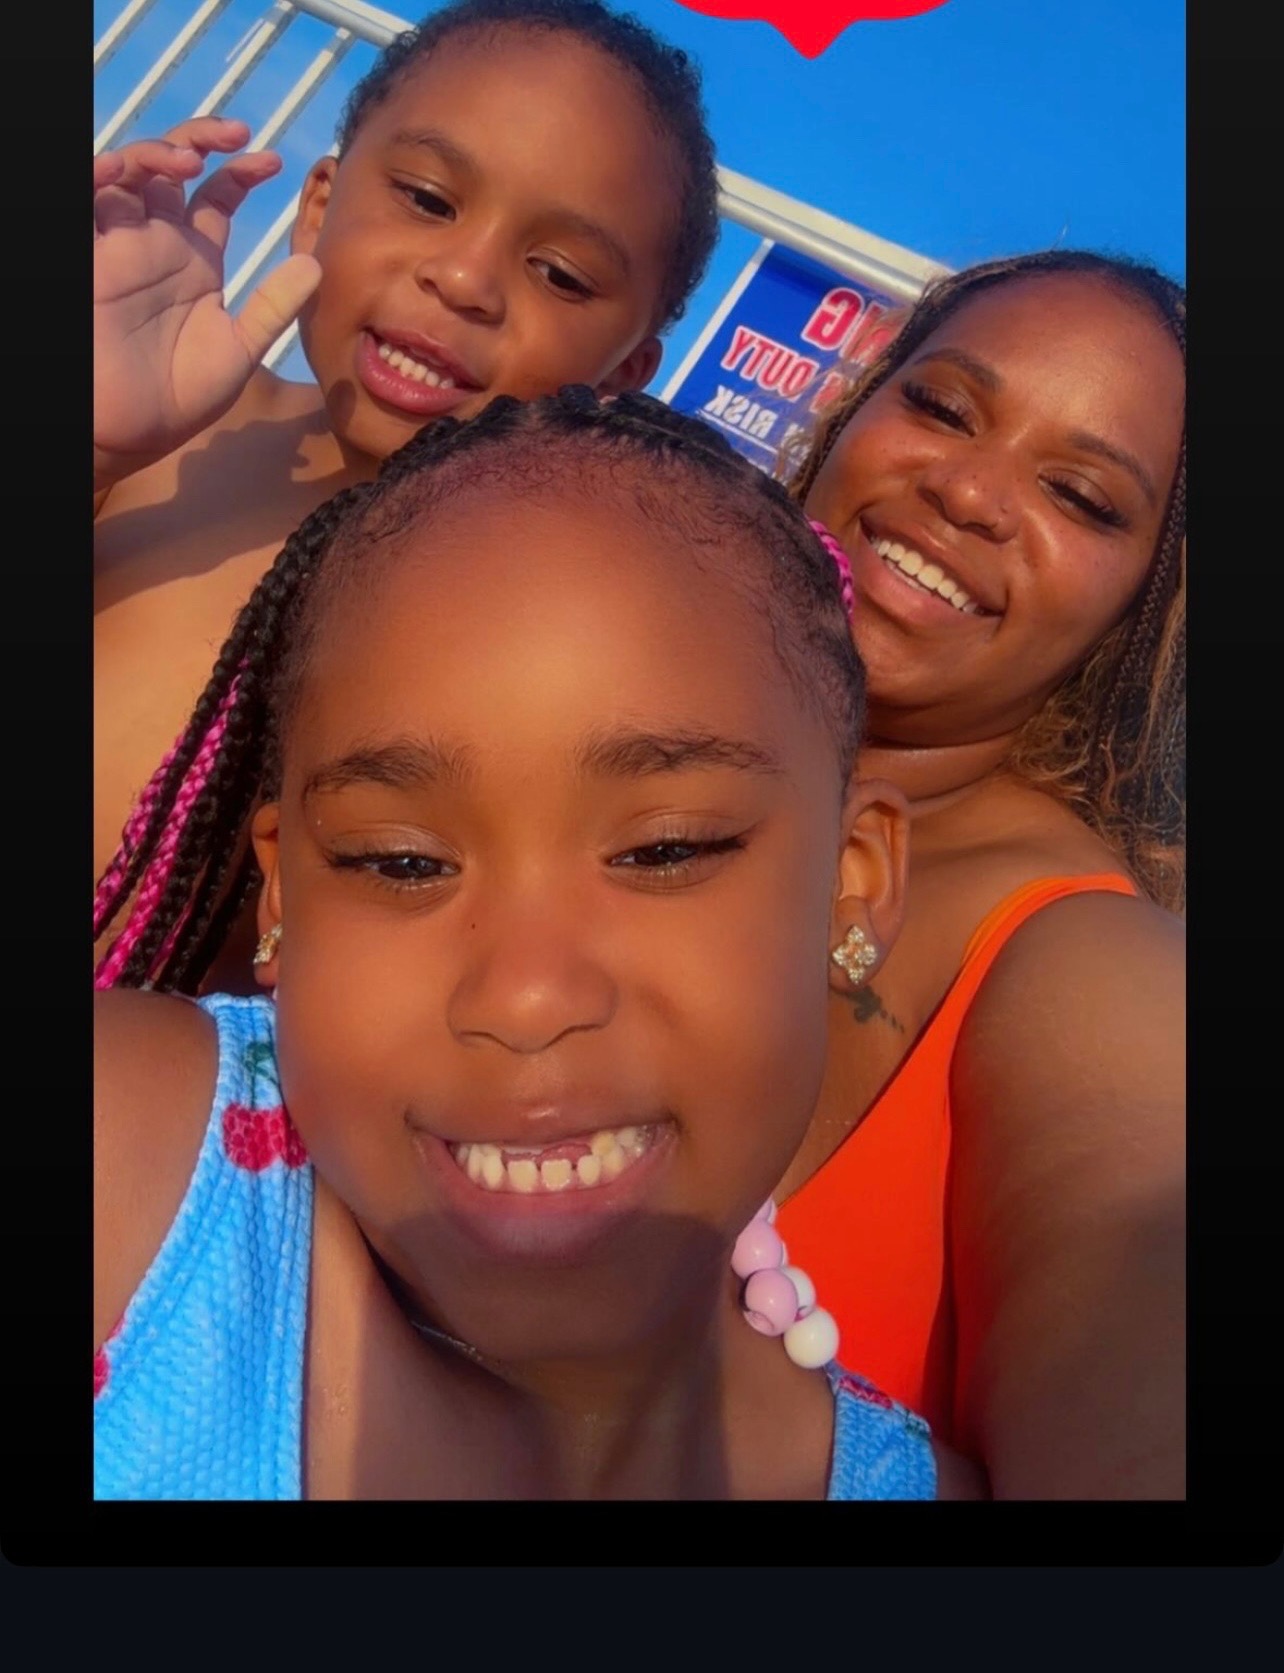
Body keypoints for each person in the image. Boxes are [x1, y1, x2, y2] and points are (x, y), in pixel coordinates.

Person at [93, 388, 983, 1500]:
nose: (524, 997)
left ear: (852, 882)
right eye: (398, 861)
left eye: (666, 848)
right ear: (284, 894)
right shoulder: (129, 1169)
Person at [93, 0, 720, 948]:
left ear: (622, 374)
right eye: (428, 200)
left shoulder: (541, 636)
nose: (463, 280)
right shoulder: (160, 442)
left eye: (559, 272)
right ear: (318, 208)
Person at [773, 251, 1186, 1498]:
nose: (967, 490)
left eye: (1081, 496)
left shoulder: (1096, 973)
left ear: (1142, 608)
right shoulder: (584, 690)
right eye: (944, 407)